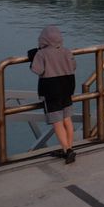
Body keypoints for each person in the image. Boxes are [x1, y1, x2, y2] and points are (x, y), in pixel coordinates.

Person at [30, 25, 77, 164]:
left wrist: (33, 57)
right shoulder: (67, 51)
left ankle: (66, 150)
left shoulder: (42, 53)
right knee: (67, 119)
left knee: (57, 122)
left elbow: (37, 70)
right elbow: (74, 66)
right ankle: (70, 148)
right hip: (67, 87)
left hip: (51, 89)